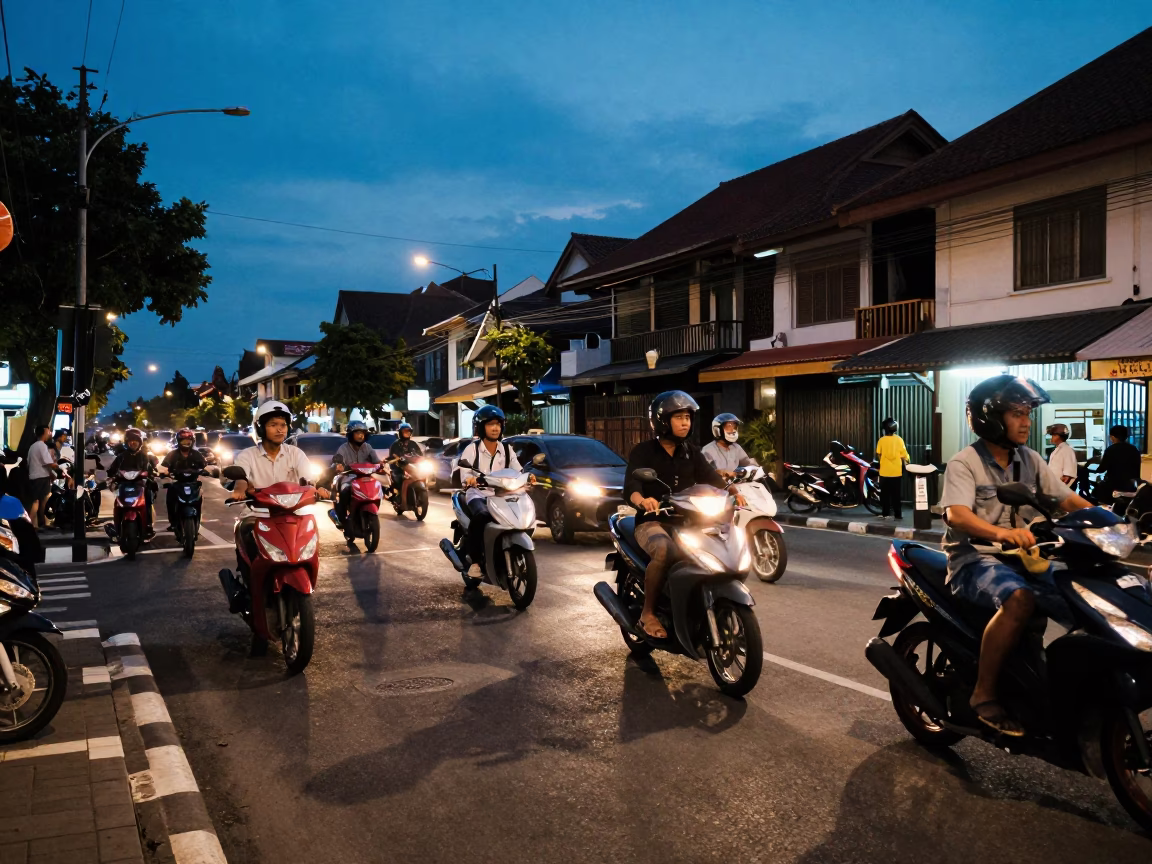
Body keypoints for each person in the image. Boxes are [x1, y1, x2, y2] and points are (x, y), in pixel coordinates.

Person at [939, 375, 1091, 736]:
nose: (1026, 421)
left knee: (1084, 600)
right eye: (1017, 413)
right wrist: (1002, 533)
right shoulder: (965, 462)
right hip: (973, 560)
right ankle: (984, 694)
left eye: (1028, 413)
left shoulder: (1030, 459)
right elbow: (956, 514)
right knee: (1019, 599)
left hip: (1024, 558)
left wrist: (1114, 525)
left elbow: (1066, 500)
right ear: (991, 418)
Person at [623, 391, 746, 640]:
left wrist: (733, 492)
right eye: (678, 417)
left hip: (690, 522)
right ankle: (648, 613)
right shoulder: (644, 452)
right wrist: (643, 501)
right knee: (664, 550)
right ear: (662, 421)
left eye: (688, 417)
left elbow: (713, 480)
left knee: (722, 547)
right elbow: (631, 489)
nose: (685, 423)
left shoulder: (691, 452)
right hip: (654, 521)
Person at [230, 402, 330, 560]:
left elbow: (308, 479)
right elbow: (242, 477)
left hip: (293, 513)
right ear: (261, 428)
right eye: (273, 425)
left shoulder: (295, 453)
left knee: (311, 533)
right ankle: (251, 575)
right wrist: (239, 490)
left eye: (283, 425)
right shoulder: (247, 455)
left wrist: (317, 489)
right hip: (258, 513)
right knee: (244, 529)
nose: (280, 429)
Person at [452, 405, 534, 575]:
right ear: (481, 427)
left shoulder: (506, 449)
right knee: (482, 516)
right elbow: (465, 472)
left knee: (524, 511)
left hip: (501, 494)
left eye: (498, 424)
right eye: (490, 424)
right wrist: (470, 479)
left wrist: (527, 477)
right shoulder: (472, 449)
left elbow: (517, 470)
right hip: (478, 493)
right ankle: (475, 562)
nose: (495, 428)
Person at [107, 428, 160, 539]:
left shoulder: (145, 456)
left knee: (148, 498)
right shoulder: (121, 457)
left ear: (140, 441)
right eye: (130, 440)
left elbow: (152, 469)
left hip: (141, 484)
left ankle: (148, 525)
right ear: (127, 442)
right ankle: (117, 527)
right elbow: (112, 470)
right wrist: (110, 477)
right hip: (124, 485)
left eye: (136, 440)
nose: (133, 442)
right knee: (117, 502)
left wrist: (151, 474)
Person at [330, 420, 380, 529]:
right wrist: (339, 465)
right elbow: (337, 461)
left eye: (362, 433)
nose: (360, 435)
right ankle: (342, 518)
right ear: (350, 434)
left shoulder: (368, 447)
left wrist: (381, 466)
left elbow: (376, 461)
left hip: (365, 478)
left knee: (378, 486)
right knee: (344, 491)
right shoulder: (343, 448)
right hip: (348, 478)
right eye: (357, 433)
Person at [160, 428, 207, 530]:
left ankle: (197, 521)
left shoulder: (196, 454)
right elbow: (164, 467)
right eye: (184, 440)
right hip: (177, 483)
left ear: (192, 441)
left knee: (200, 497)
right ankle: (173, 521)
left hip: (193, 483)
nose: (186, 442)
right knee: (170, 495)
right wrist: (164, 471)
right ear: (179, 441)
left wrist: (209, 470)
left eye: (189, 440)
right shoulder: (172, 454)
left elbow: (205, 465)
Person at [1095, 424, 1142, 506]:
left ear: (1113, 437)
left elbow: (1102, 469)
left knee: (1097, 493)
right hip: (1132, 485)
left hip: (1114, 485)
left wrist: (1094, 469)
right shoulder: (1134, 449)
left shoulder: (1110, 450)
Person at [25, 426, 60, 529]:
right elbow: (48, 462)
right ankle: (39, 524)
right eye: (48, 431)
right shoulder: (42, 446)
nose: (49, 433)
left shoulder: (33, 446)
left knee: (36, 501)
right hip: (41, 477)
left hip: (34, 476)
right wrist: (58, 466)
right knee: (43, 501)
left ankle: (35, 524)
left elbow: (29, 463)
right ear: (44, 433)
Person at [875, 417, 909, 521]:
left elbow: (878, 454)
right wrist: (907, 462)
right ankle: (898, 514)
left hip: (884, 472)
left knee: (884, 495)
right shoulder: (899, 440)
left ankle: (885, 513)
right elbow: (905, 455)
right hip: (896, 473)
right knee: (896, 495)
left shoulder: (881, 440)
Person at [701, 413, 754, 478]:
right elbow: (706, 473)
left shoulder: (736, 447)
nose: (732, 429)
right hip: (718, 486)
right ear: (717, 430)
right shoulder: (708, 450)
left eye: (734, 426)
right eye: (728, 426)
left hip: (737, 483)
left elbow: (747, 463)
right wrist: (722, 472)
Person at [387, 422, 424, 495]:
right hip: (399, 469)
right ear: (400, 433)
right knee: (401, 479)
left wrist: (423, 459)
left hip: (413, 468)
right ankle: (402, 501)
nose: (407, 433)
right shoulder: (396, 444)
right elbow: (392, 457)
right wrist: (398, 459)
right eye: (405, 431)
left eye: (408, 431)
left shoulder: (413, 444)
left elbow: (420, 454)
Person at [1045, 423, 1078, 487]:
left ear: (1060, 436)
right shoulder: (1057, 450)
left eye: (1054, 435)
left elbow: (1068, 476)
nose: (1051, 438)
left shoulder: (1067, 450)